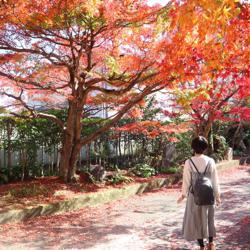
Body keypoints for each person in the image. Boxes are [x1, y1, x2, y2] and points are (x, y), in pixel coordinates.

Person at [177, 136, 221, 250]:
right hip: (208, 195)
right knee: (209, 218)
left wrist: (183, 194)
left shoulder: (189, 162)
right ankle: (211, 244)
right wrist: (217, 196)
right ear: (205, 148)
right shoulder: (210, 161)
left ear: (193, 147)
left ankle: (201, 246)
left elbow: (186, 181)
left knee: (196, 220)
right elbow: (215, 180)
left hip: (194, 196)